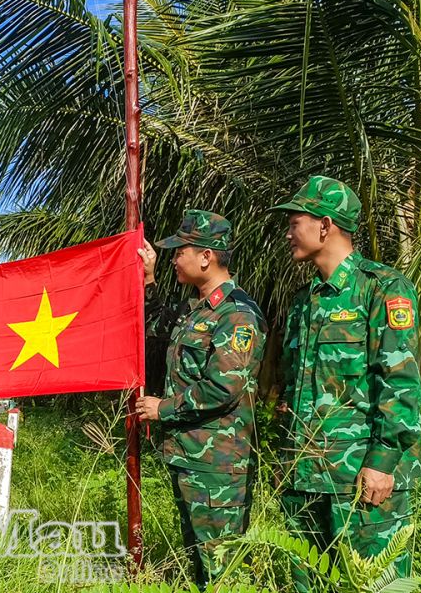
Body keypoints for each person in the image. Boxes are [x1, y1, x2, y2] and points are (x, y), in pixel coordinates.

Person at [269, 176, 421, 590]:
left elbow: (400, 384)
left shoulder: (383, 289)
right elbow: (292, 385)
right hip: (304, 476)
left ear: (325, 225)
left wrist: (382, 462)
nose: (287, 233)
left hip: (361, 476)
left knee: (375, 584)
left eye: (295, 222)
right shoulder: (304, 301)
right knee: (309, 584)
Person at [136, 210, 266, 586]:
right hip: (190, 456)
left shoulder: (237, 314)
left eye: (180, 252)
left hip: (218, 464)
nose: (174, 258)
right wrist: (149, 278)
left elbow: (223, 387)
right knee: (198, 559)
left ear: (206, 256)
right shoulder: (194, 310)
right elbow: (153, 323)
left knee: (220, 566)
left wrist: (164, 408)